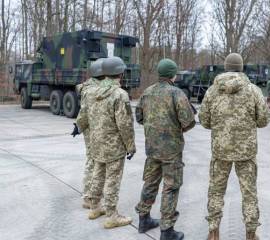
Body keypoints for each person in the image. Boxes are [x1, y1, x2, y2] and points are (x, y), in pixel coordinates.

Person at [199, 53, 270, 240]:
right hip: (246, 152)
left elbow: (204, 121)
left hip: (220, 150)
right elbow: (263, 121)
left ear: (225, 67)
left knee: (216, 191)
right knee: (249, 193)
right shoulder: (253, 90)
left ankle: (213, 231)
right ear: (241, 67)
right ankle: (251, 233)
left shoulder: (212, 91)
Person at [134, 58, 195, 240]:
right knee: (171, 186)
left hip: (152, 148)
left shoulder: (147, 92)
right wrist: (176, 128)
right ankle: (167, 230)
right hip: (171, 151)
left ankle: (143, 219)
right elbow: (189, 121)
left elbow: (139, 117)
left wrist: (155, 128)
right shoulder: (176, 93)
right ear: (173, 75)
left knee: (150, 182)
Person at [76, 56, 136, 229]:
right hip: (113, 145)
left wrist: (79, 126)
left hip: (96, 142)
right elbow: (124, 125)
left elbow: (84, 114)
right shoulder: (119, 94)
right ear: (120, 73)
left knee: (98, 174)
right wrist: (131, 146)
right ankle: (112, 216)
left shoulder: (91, 91)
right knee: (112, 180)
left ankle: (95, 208)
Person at [72, 58, 105, 209]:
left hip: (93, 128)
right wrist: (79, 125)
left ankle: (93, 192)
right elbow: (85, 112)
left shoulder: (91, 86)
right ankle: (87, 196)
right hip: (92, 129)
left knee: (94, 159)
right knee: (92, 160)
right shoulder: (92, 89)